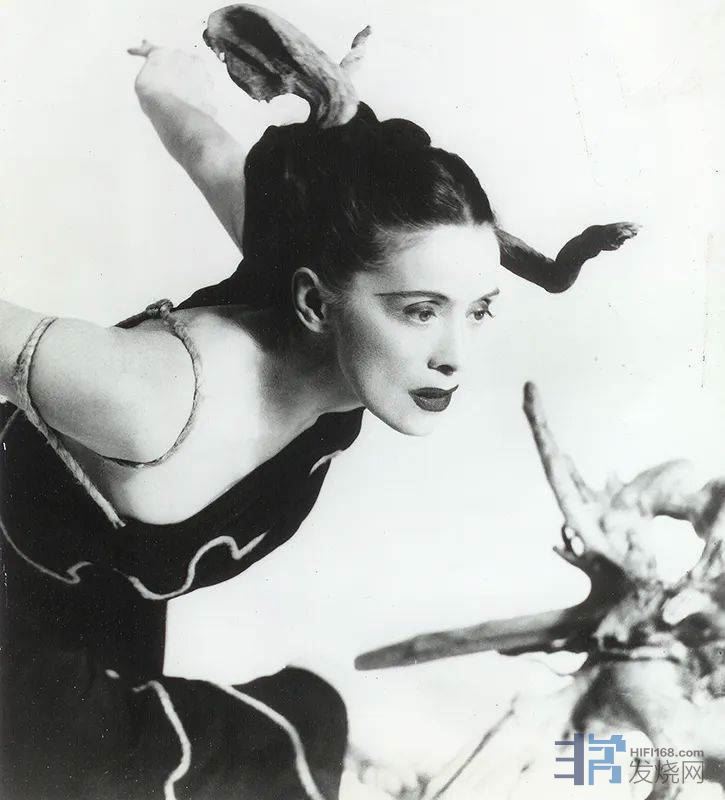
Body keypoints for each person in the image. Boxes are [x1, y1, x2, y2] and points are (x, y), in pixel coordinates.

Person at [0, 6, 638, 799]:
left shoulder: (324, 289)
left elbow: (210, 154)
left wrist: (163, 86)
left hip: (91, 621)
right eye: (419, 310)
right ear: (313, 303)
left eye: (476, 309)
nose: (453, 355)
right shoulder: (154, 398)